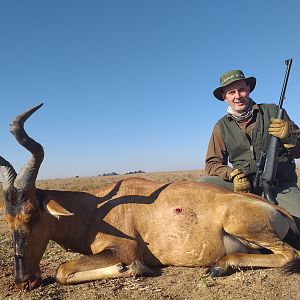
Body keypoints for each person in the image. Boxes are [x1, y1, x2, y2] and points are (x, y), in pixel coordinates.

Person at [198, 69, 300, 220]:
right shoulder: (221, 126)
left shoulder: (274, 111)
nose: (237, 96)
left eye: (241, 90)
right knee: (202, 184)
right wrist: (232, 175)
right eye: (231, 92)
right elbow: (212, 164)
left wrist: (289, 137)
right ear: (224, 97)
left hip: (281, 186)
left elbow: (298, 151)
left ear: (249, 89)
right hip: (243, 187)